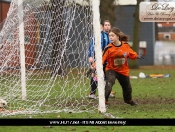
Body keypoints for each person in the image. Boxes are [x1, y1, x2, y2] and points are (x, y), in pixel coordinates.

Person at [102, 27, 143, 106]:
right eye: (109, 36)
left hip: (123, 70)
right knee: (109, 82)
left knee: (127, 87)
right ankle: (104, 101)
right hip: (111, 69)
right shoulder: (108, 48)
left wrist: (136, 56)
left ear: (118, 36)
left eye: (112, 36)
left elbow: (131, 53)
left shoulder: (125, 45)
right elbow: (102, 59)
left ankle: (128, 100)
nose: (110, 37)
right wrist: (94, 67)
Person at [87, 21, 115, 99]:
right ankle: (92, 93)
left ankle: (107, 92)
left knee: (108, 75)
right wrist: (91, 56)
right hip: (99, 58)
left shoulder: (110, 36)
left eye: (108, 25)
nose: (107, 26)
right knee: (96, 75)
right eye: (105, 25)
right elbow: (92, 45)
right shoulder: (100, 35)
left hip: (108, 59)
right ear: (103, 27)